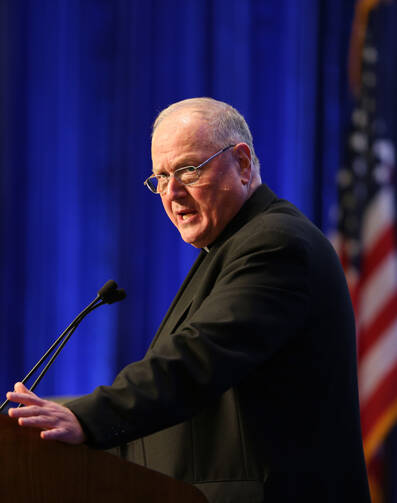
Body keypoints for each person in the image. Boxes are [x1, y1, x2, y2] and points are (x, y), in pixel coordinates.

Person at [6, 98, 371, 503]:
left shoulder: (276, 244)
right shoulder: (229, 247)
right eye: (160, 178)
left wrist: (87, 417)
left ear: (243, 163)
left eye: (188, 170)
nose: (172, 193)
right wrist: (57, 420)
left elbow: (197, 359)